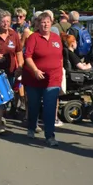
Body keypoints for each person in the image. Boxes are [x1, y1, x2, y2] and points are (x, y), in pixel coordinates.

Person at [22, 11, 63, 146]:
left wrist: (61, 75)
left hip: (53, 79)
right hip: (34, 79)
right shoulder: (33, 37)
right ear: (38, 24)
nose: (45, 25)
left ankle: (50, 136)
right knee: (34, 106)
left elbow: (60, 57)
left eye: (48, 22)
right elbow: (27, 56)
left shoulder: (56, 38)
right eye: (43, 22)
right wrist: (35, 70)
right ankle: (31, 127)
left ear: (52, 23)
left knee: (50, 108)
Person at [0, 9, 23, 135]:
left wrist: (20, 67)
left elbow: (19, 52)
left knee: (7, 98)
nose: (5, 24)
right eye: (3, 21)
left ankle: (0, 117)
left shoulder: (13, 35)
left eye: (8, 21)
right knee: (0, 97)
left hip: (10, 71)